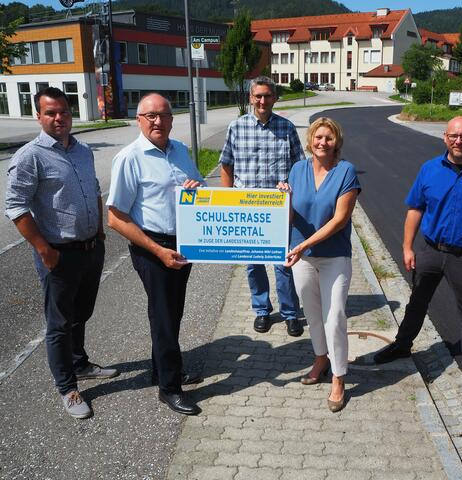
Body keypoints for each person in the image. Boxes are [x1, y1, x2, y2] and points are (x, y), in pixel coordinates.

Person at [373, 116, 462, 396]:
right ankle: (402, 345)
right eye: (453, 136)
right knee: (417, 302)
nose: (458, 141)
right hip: (431, 251)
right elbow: (415, 209)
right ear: (445, 137)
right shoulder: (429, 169)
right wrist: (407, 247)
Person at [5, 87, 118, 419]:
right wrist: (43, 249)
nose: (58, 118)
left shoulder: (82, 150)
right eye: (50, 113)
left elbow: (95, 191)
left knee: (81, 313)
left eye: (64, 112)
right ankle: (67, 388)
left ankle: (80, 363)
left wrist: (98, 231)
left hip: (90, 248)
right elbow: (15, 207)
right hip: (59, 254)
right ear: (38, 116)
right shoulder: (30, 156)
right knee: (58, 323)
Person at [106, 93, 204, 416]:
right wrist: (158, 250)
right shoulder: (130, 158)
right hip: (153, 246)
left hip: (183, 243)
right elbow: (115, 217)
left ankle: (162, 368)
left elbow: (201, 188)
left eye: (163, 115)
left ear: (172, 120)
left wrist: (197, 188)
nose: (157, 121)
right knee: (163, 316)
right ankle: (170, 388)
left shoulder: (181, 151)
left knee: (172, 311)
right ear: (139, 120)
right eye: (150, 116)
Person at [279, 117, 361, 413]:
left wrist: (301, 245)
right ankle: (320, 359)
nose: (322, 142)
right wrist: (281, 200)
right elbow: (288, 217)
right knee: (312, 315)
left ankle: (339, 377)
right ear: (310, 140)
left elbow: (340, 221)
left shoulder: (346, 172)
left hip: (334, 257)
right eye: (318, 137)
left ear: (336, 141)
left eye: (328, 138)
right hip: (302, 258)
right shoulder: (298, 169)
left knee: (334, 316)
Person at [220, 76, 305, 337]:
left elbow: (300, 166)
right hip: (248, 212)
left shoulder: (287, 128)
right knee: (253, 264)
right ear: (250, 98)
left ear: (275, 98)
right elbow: (226, 164)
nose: (262, 101)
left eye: (267, 96)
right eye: (258, 96)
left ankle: (291, 313)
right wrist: (227, 201)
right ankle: (262, 310)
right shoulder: (236, 128)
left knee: (283, 265)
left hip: (278, 211)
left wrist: (293, 194)